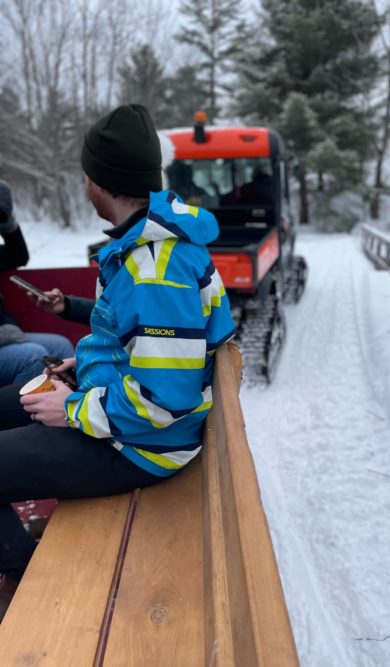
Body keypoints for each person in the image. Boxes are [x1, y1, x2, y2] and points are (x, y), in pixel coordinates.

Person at [0, 104, 235, 615]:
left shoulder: (155, 270)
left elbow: (162, 402)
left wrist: (73, 409)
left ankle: (20, 582)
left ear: (99, 184)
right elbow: (138, 343)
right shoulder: (147, 241)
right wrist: (80, 373)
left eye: (87, 176)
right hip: (118, 413)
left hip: (142, 446)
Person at [0, 180, 74, 384]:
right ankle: (21, 415)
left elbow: (17, 255)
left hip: (6, 334)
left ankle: (66, 410)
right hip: (5, 336)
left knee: (60, 348)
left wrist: (5, 219)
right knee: (33, 357)